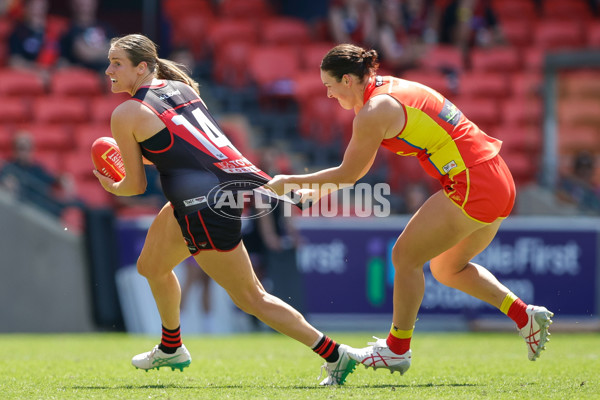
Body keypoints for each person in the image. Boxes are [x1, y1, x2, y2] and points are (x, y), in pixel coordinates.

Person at [267, 43, 554, 376]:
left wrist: (286, 181)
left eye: (329, 86)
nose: (329, 95)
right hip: (495, 177)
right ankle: (525, 316)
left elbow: (350, 173)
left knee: (405, 256)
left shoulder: (375, 110)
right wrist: (315, 190)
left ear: (347, 79)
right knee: (447, 269)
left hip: (474, 182)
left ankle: (397, 349)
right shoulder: (385, 90)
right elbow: (350, 175)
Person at [94, 33, 357, 385]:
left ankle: (335, 355)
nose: (108, 69)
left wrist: (109, 181)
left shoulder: (127, 112)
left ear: (142, 67)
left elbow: (135, 186)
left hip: (202, 207)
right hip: (205, 198)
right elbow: (183, 149)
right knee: (151, 267)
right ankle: (172, 347)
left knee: (251, 297)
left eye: (116, 63)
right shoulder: (181, 89)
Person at [59, 0, 116, 73]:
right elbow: (84, 53)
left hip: (108, 78)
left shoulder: (106, 28)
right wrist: (106, 50)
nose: (84, 2)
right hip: (84, 78)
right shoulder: (69, 30)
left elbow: (120, 52)